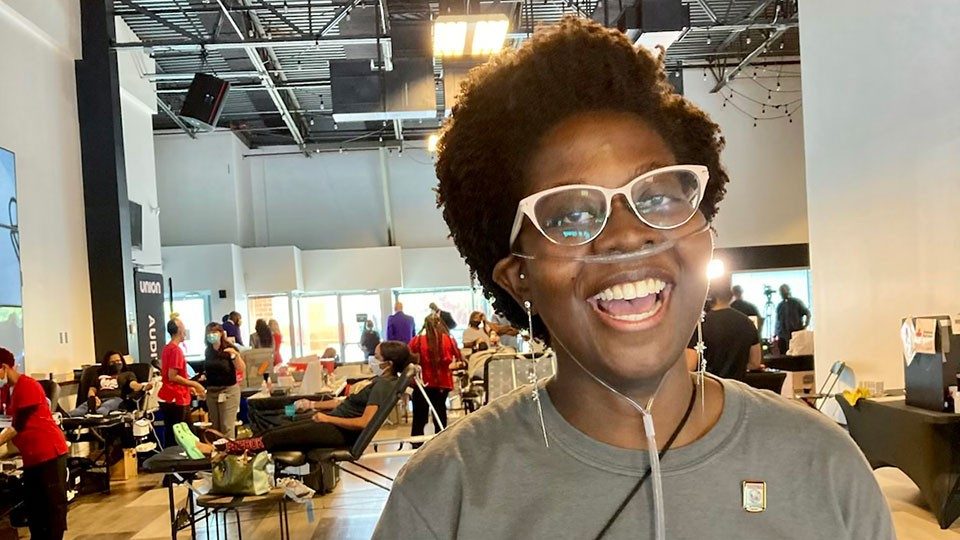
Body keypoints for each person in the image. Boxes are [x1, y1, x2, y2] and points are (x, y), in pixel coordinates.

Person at [374, 18, 892, 539]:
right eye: (571, 215)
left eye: (657, 196)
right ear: (519, 278)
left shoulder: (824, 468)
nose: (626, 235)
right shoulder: (446, 497)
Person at [185, 342, 414, 456]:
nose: (372, 358)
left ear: (388, 364)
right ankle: (222, 446)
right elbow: (343, 403)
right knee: (278, 425)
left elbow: (364, 422)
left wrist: (327, 418)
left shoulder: (383, 385)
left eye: (376, 356)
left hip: (338, 431)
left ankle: (217, 449)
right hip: (332, 423)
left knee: (275, 437)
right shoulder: (381, 381)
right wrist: (313, 404)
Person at [0, 348, 69, 540]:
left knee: (52, 507)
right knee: (35, 509)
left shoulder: (28, 386)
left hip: (49, 452)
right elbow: (4, 419)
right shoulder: (5, 392)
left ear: (4, 367)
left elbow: (17, 426)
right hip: (31, 456)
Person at [685, 285, 761, 382]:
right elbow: (755, 363)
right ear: (731, 297)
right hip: (737, 386)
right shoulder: (748, 323)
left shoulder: (701, 324)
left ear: (711, 298)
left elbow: (690, 365)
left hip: (710, 386)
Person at [407, 315, 460, 441]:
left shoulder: (417, 340)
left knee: (419, 417)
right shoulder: (448, 339)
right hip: (442, 383)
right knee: (440, 413)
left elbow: (408, 359)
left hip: (422, 383)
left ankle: (417, 443)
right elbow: (456, 358)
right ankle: (441, 441)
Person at [158, 317, 206, 448]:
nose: (185, 331)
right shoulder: (176, 350)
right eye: (183, 328)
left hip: (170, 397)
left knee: (175, 433)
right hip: (176, 398)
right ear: (179, 330)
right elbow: (172, 376)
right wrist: (195, 384)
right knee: (182, 435)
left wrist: (188, 387)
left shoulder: (167, 348)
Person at [68, 351, 153, 417]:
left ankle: (96, 414)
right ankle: (66, 417)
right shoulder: (99, 375)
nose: (116, 364)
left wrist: (143, 387)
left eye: (118, 361)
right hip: (98, 399)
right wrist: (93, 399)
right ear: (107, 364)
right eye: (112, 362)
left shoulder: (127, 374)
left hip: (116, 399)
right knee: (78, 411)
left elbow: (133, 384)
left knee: (105, 407)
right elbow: (92, 390)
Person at [203, 322, 244, 439]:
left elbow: (241, 368)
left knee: (227, 426)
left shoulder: (230, 349)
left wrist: (234, 356)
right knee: (215, 427)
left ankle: (229, 449)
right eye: (209, 333)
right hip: (212, 392)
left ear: (221, 333)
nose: (211, 335)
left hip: (228, 391)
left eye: (214, 332)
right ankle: (218, 449)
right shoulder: (208, 351)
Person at [775, 284, 811, 354]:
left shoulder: (796, 302)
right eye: (781, 292)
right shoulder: (780, 306)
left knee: (796, 354)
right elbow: (778, 321)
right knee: (783, 355)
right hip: (783, 336)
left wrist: (805, 325)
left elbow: (807, 313)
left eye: (783, 292)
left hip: (796, 334)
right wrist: (776, 332)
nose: (782, 294)